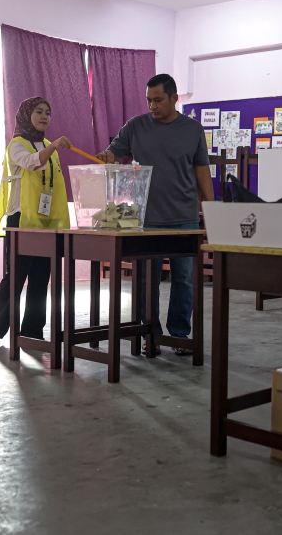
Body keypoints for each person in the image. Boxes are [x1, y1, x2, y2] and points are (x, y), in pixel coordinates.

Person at [97, 74, 214, 355]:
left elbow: (201, 172)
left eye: (158, 100)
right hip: (145, 218)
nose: (152, 106)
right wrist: (108, 156)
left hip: (184, 217)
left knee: (183, 279)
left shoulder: (192, 129)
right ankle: (151, 332)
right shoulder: (136, 126)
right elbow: (115, 152)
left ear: (175, 98)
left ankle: (179, 335)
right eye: (149, 100)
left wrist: (211, 209)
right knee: (146, 280)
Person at [0, 97, 71, 346]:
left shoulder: (46, 145)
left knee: (41, 277)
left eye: (48, 113)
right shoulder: (16, 145)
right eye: (38, 112)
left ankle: (32, 331)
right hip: (21, 219)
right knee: (16, 276)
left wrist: (50, 146)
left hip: (45, 221)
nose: (44, 116)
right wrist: (52, 146)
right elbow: (33, 162)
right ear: (25, 115)